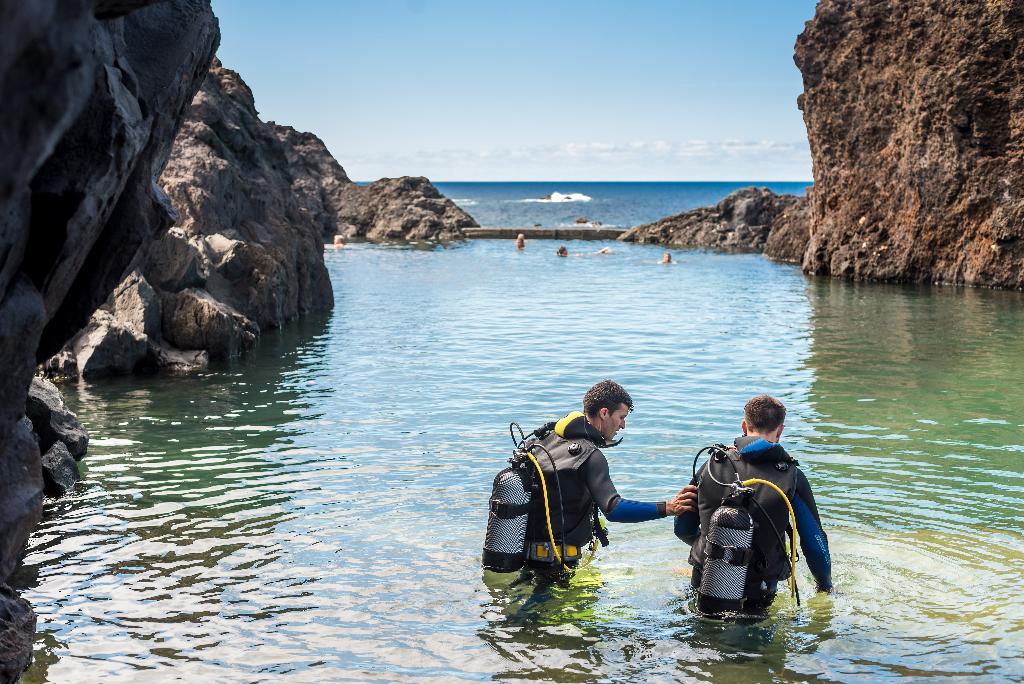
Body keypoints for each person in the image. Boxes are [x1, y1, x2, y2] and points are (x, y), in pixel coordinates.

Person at [524, 380, 695, 582]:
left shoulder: (545, 441)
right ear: (604, 413)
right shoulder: (590, 456)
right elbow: (614, 509)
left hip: (524, 555)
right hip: (556, 565)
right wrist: (668, 507)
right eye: (621, 417)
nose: (623, 425)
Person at [675, 395, 833, 612]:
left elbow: (682, 527)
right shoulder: (792, 477)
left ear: (744, 425)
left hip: (705, 583)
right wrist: (825, 587)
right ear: (780, 431)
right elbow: (815, 545)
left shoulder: (712, 465)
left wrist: (713, 548)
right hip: (758, 594)